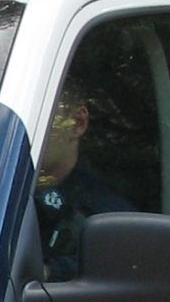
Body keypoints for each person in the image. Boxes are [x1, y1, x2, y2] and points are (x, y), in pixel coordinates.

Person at [34, 84, 136, 278]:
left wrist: (49, 272)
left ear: (77, 123)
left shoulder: (109, 218)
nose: (22, 132)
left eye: (36, 117)